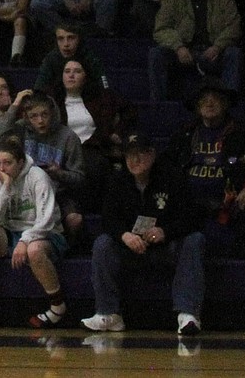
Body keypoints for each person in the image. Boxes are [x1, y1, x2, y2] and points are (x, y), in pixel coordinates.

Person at [83, 131, 206, 337]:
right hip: (130, 247)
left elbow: (191, 217)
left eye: (140, 153)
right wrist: (125, 236)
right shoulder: (118, 180)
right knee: (103, 244)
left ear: (152, 154)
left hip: (166, 246)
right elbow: (108, 218)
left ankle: (188, 314)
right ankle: (108, 312)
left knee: (195, 241)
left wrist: (165, 231)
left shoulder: (172, 177)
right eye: (130, 155)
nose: (135, 160)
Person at [0, 133, 68, 330]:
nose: (1, 168)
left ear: (20, 162)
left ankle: (58, 306)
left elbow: (46, 219)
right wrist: (5, 188)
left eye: (7, 163)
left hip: (46, 234)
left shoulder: (38, 177)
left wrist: (25, 241)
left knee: (34, 250)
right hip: (12, 233)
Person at [164, 82, 245, 258]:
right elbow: (167, 164)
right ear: (197, 107)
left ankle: (242, 275)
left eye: (215, 100)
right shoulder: (185, 134)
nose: (209, 104)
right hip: (189, 203)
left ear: (225, 104)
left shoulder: (241, 132)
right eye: (204, 100)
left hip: (228, 203)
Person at [0, 88, 87, 243]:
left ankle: (64, 247)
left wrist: (58, 173)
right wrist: (15, 105)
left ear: (53, 113)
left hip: (58, 190)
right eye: (34, 116)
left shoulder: (68, 137)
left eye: (44, 114)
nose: (40, 121)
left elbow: (80, 177)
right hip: (25, 189)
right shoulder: (22, 129)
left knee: (74, 219)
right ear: (27, 118)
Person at [149, 0, 242, 102]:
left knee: (234, 54)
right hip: (184, 53)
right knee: (156, 54)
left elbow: (234, 27)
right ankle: (159, 106)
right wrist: (178, 47)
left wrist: (218, 47)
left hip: (212, 54)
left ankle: (229, 104)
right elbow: (161, 29)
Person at [55, 58, 133, 208]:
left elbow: (129, 111)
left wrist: (118, 131)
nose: (71, 75)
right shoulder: (54, 100)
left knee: (97, 165)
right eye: (67, 71)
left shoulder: (101, 97)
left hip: (93, 147)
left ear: (85, 76)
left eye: (77, 71)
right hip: (63, 150)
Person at [34, 19, 108, 94]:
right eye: (60, 39)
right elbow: (39, 89)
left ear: (79, 39)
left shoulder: (90, 59)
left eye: (71, 38)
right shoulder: (51, 59)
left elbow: (105, 90)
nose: (66, 44)